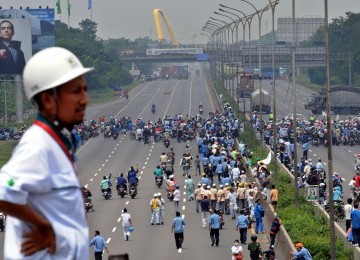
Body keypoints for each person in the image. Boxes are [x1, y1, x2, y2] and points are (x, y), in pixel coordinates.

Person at [0, 47, 93, 259]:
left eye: (84, 90)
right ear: (48, 100)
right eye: (75, 91)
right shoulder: (38, 145)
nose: (84, 99)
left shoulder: (55, 142)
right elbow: (3, 190)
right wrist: (41, 225)